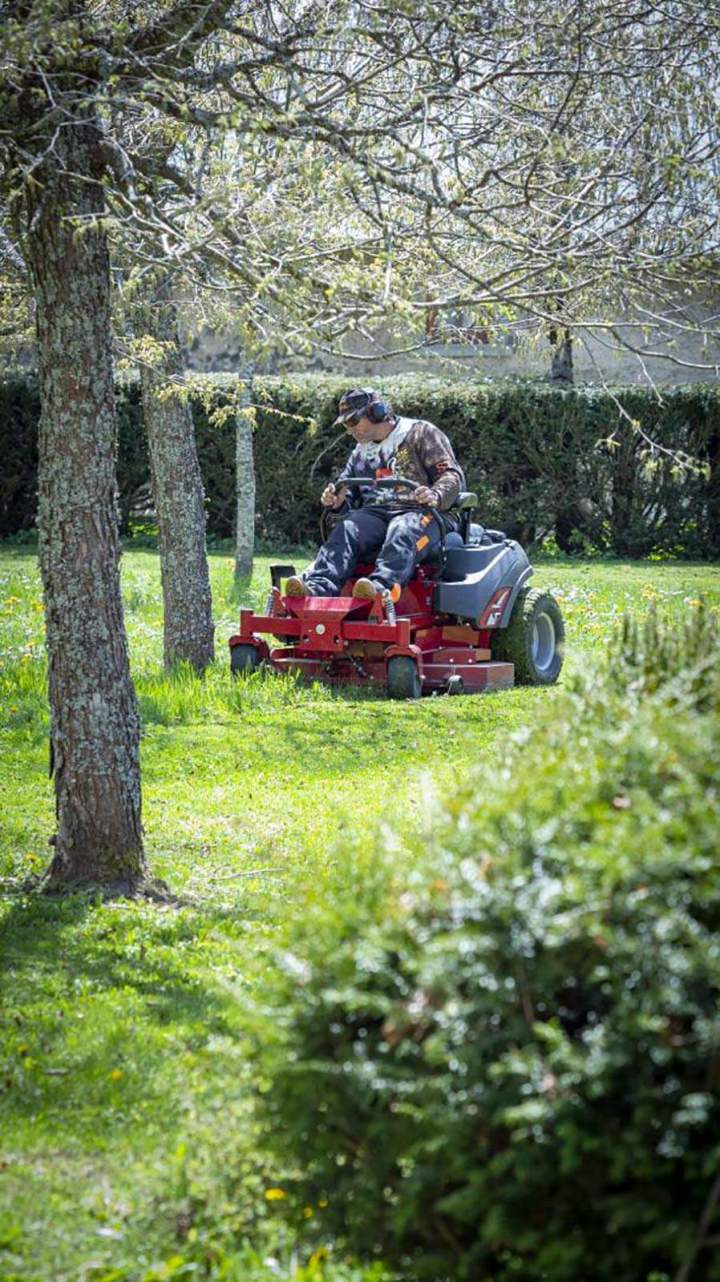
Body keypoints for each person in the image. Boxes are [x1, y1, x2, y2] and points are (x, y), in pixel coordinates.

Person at [285, 388, 466, 600]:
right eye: (345, 424)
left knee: (402, 529)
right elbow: (348, 489)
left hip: (425, 512)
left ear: (377, 413)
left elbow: (452, 476)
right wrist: (337, 501)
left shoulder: (421, 433)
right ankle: (317, 587)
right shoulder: (361, 449)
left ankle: (379, 589)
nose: (349, 430)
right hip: (377, 512)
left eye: (353, 422)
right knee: (347, 529)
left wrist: (435, 494)